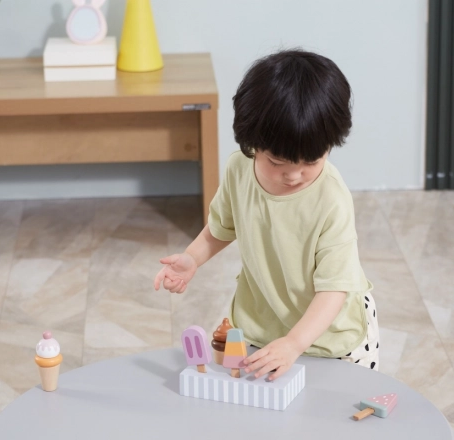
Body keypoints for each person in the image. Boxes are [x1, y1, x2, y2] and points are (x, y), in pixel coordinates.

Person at [154, 49, 379, 381]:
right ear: (252, 141)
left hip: (331, 335)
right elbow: (221, 227)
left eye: (311, 162)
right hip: (263, 325)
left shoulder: (331, 199)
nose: (294, 176)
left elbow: (334, 290)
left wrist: (294, 343)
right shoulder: (238, 169)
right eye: (277, 163)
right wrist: (192, 258)